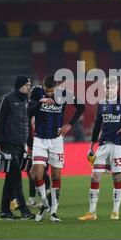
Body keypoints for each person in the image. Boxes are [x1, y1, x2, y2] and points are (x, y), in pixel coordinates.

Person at [78, 76, 121, 221]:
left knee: (117, 176)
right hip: (103, 144)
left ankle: (115, 211)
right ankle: (92, 212)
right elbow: (97, 126)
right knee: (95, 175)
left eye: (112, 87)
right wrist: (91, 145)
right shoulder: (101, 103)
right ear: (104, 88)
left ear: (117, 88)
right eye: (107, 87)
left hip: (117, 144)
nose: (109, 89)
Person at [29, 74, 85, 222]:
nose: (50, 94)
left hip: (56, 140)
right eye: (47, 91)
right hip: (40, 139)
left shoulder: (63, 93)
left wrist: (70, 124)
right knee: (36, 174)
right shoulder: (35, 92)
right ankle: (45, 204)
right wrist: (40, 102)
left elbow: (81, 106)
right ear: (43, 86)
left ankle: (53, 212)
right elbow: (28, 112)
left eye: (52, 91)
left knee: (56, 176)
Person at [0, 76, 34, 220]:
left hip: (20, 144)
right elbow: (0, 121)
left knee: (10, 178)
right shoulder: (8, 99)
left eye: (29, 85)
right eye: (26, 85)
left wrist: (30, 144)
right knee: (16, 177)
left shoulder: (26, 101)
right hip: (9, 143)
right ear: (19, 86)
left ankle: (4, 212)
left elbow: (27, 124)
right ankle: (24, 210)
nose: (29, 87)